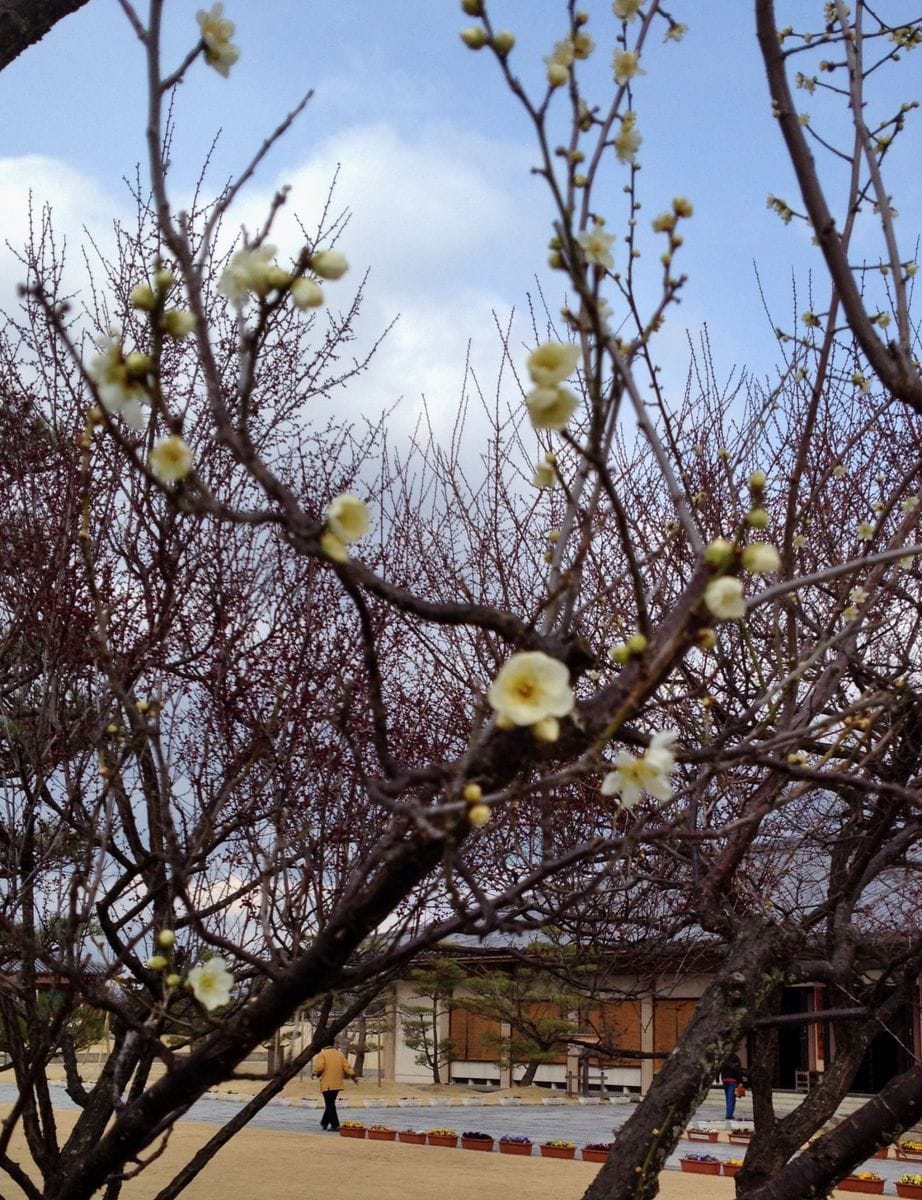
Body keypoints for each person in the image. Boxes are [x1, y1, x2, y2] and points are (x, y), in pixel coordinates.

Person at [312, 1038, 357, 1131]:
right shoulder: (339, 1054)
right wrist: (353, 1076)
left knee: (330, 1104)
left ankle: (335, 1125)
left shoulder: (322, 1054)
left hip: (327, 1083)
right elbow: (346, 1066)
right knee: (330, 1103)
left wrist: (315, 1073)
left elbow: (320, 1067)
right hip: (337, 1083)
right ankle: (324, 1122)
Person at [719, 1051, 747, 1121]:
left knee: (728, 1097)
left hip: (725, 1079)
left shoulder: (724, 1058)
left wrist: (718, 1078)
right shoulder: (736, 1058)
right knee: (731, 1098)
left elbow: (719, 1069)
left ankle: (729, 1113)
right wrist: (740, 1082)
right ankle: (729, 1115)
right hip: (733, 1080)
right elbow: (738, 1071)